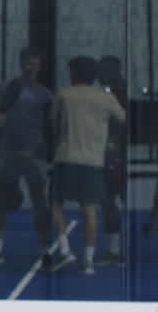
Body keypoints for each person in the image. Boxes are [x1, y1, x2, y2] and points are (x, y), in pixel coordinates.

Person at [48, 56, 126, 275]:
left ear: (74, 73)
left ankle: (65, 251)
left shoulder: (64, 94)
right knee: (90, 209)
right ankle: (89, 261)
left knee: (55, 205)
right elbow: (122, 118)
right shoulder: (105, 98)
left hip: (65, 158)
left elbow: (53, 121)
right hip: (93, 161)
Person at [0, 47, 55, 270]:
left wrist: (47, 154)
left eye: (35, 63)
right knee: (1, 204)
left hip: (34, 156)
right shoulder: (7, 88)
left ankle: (46, 251)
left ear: (40, 66)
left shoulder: (45, 95)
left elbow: (52, 126)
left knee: (40, 205)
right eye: (28, 62)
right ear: (21, 63)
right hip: (9, 154)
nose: (32, 67)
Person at [96, 55, 127, 263]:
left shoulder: (115, 95)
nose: (99, 75)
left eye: (103, 70)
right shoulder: (112, 92)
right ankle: (114, 250)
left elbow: (116, 127)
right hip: (115, 156)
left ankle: (115, 252)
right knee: (111, 201)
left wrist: (113, 155)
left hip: (114, 157)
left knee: (108, 201)